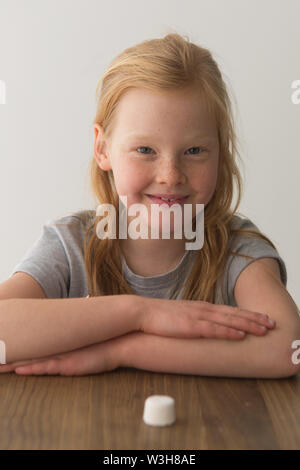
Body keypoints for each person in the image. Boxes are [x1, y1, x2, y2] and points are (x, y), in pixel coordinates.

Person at [0, 33, 299, 378]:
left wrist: (121, 349)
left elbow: (287, 350)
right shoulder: (69, 245)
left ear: (221, 152)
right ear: (102, 149)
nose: (171, 176)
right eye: (145, 150)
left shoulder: (239, 250)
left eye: (194, 151)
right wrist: (139, 313)